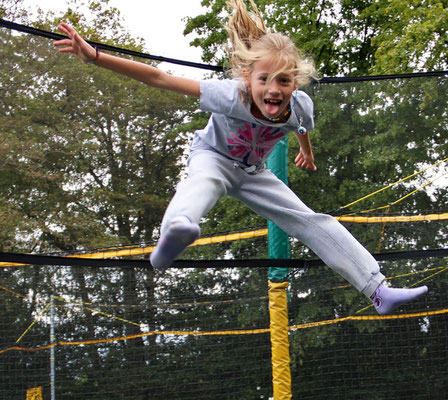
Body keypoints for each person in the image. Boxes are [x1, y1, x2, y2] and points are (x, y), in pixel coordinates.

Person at [54, 0, 427, 315]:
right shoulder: (229, 95)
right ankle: (176, 232)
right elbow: (159, 78)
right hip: (213, 156)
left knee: (312, 221)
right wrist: (96, 56)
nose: (273, 89)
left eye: (283, 81)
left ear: (294, 84)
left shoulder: (300, 107)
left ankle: (377, 290)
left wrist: (305, 151)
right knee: (203, 182)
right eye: (264, 79)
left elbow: (301, 127)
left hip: (253, 172)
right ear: (248, 78)